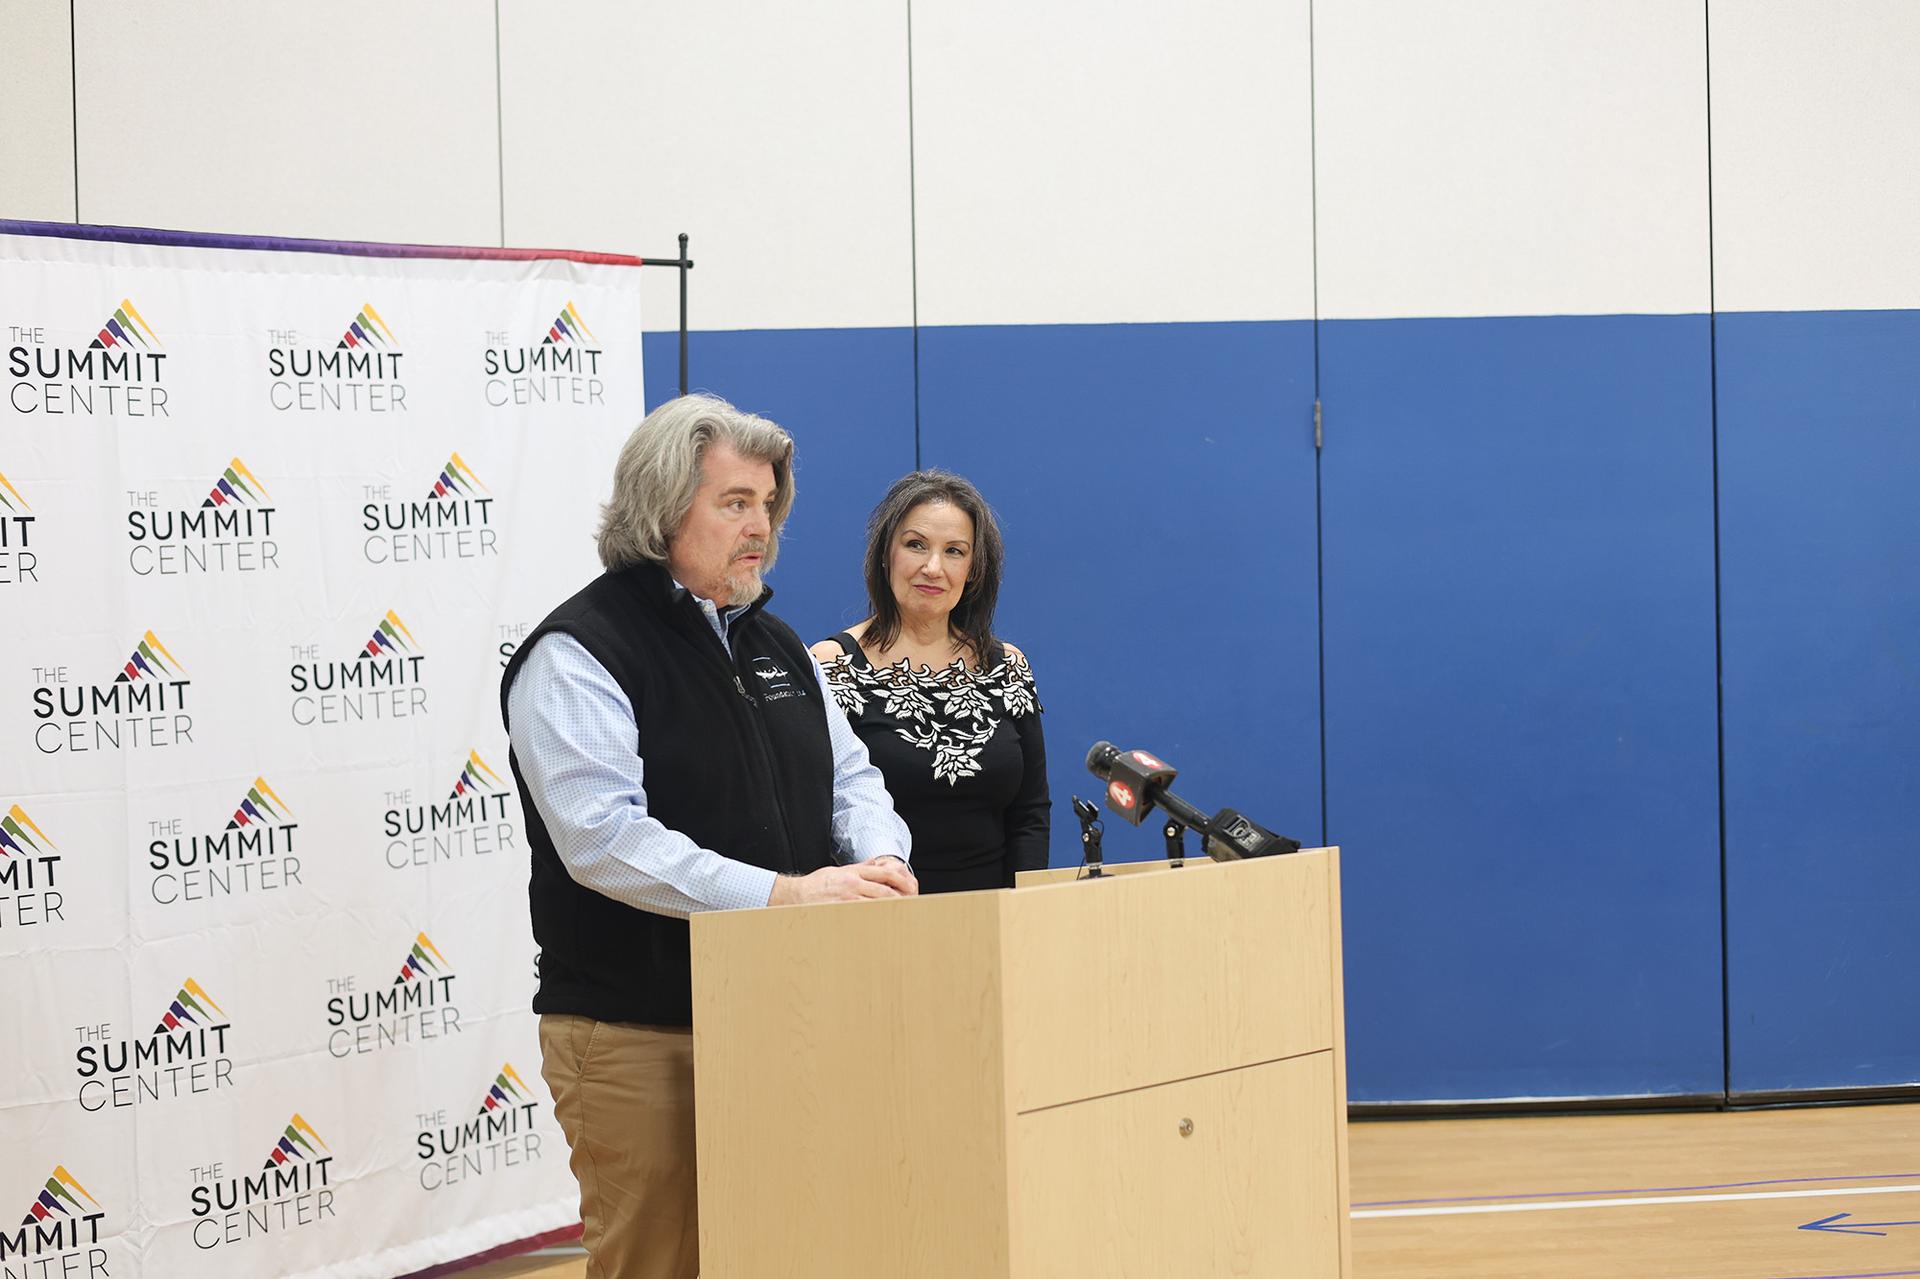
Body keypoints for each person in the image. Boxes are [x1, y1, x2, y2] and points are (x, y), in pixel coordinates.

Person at [500, 393, 916, 1279]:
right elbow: (603, 839)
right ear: (661, 509)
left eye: (767, 503)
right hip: (638, 1032)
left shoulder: (778, 642)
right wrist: (785, 896)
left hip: (782, 1016)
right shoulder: (581, 651)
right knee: (663, 1264)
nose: (759, 524)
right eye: (734, 503)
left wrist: (881, 856)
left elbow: (852, 778)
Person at [810, 470, 1049, 894]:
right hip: (881, 918)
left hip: (996, 922)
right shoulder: (830, 666)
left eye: (954, 551)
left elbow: (1030, 813)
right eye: (916, 545)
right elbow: (818, 815)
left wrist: (1023, 913)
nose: (933, 568)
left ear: (974, 569)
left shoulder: (1007, 665)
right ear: (886, 553)